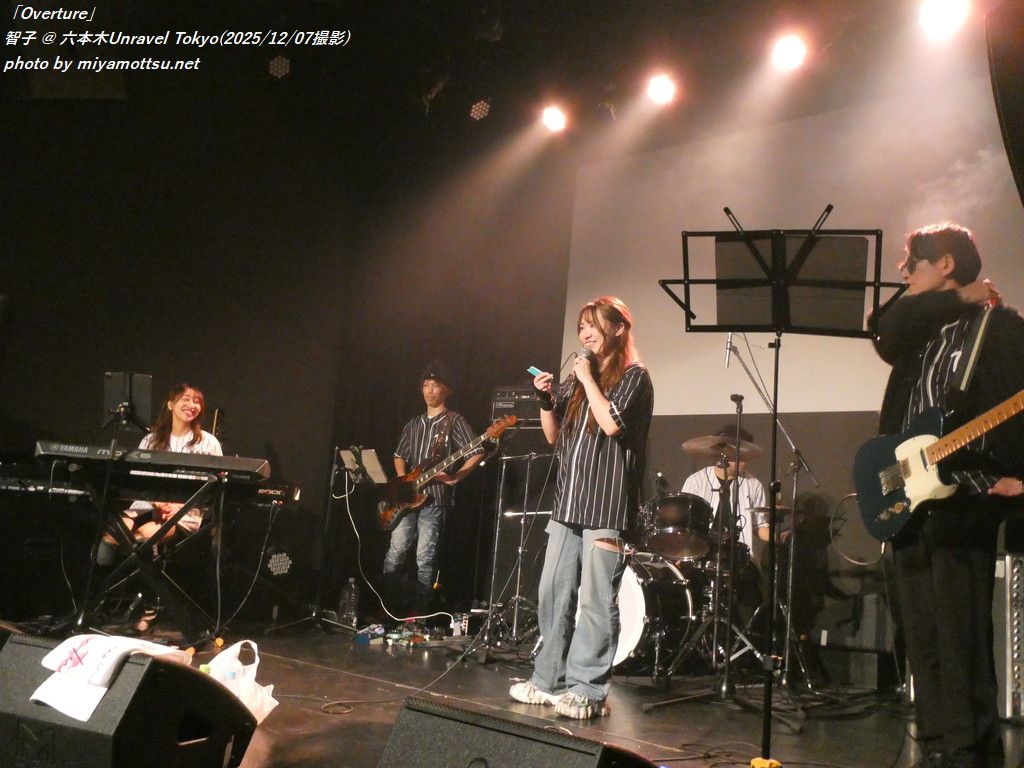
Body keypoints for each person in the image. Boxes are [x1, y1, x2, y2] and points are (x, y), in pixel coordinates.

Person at [872, 222, 1024, 768]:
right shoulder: (919, 332)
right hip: (910, 497)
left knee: (960, 632)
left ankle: (968, 748)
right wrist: (958, 298)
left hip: (965, 493)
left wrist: (1019, 475)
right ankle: (936, 740)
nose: (903, 271)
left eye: (912, 261)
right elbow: (882, 328)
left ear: (946, 263)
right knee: (921, 631)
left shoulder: (999, 326)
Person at [509, 296, 654, 720]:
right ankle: (547, 681)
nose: (586, 334)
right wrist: (546, 401)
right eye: (582, 327)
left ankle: (587, 690)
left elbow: (611, 423)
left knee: (595, 601)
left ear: (618, 329)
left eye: (594, 325)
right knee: (552, 592)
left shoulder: (635, 376)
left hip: (607, 506)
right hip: (568, 503)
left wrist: (587, 378)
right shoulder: (579, 380)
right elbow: (554, 437)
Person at [382, 360, 483, 617]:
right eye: (425, 385)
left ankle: (419, 617)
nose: (429, 390)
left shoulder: (454, 421)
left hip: (435, 500)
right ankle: (388, 610)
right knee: (395, 553)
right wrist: (404, 482)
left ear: (445, 389)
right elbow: (399, 455)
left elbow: (477, 451)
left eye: (435, 385)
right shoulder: (413, 424)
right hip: (406, 501)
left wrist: (456, 477)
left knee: (425, 559)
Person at [680, 424, 768, 553]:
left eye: (746, 455)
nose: (744, 461)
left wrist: (780, 537)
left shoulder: (753, 484)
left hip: (739, 555)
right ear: (723, 453)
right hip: (702, 553)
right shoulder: (696, 481)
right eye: (740, 455)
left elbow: (759, 526)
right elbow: (684, 523)